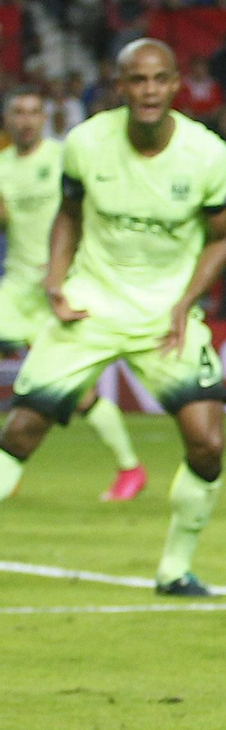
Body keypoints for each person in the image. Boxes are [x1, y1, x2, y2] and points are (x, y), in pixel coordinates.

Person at [0, 41, 226, 595]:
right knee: (20, 432)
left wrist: (185, 301)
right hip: (93, 306)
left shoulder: (208, 155)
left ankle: (175, 569)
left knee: (207, 444)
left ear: (175, 84)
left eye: (159, 79)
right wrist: (56, 280)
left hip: (165, 317)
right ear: (120, 86)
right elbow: (69, 214)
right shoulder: (86, 144)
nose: (148, 90)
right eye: (137, 80)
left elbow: (222, 238)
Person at [0, 86, 146, 500]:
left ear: (44, 118)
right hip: (16, 288)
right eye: (18, 112)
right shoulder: (2, 166)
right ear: (7, 120)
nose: (26, 119)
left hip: (62, 287)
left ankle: (130, 469)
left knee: (78, 394)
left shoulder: (63, 158)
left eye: (33, 111)